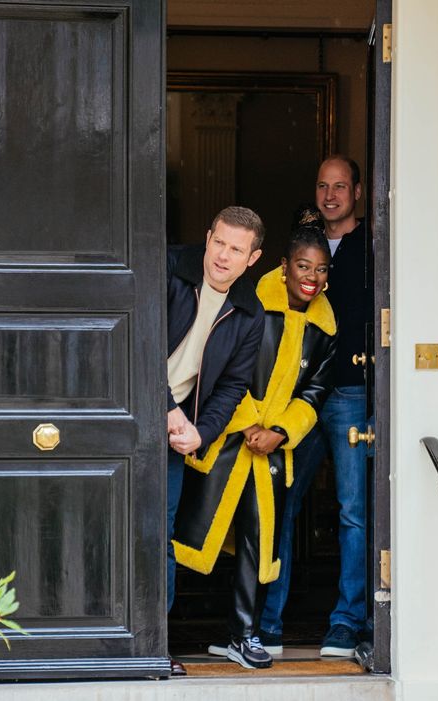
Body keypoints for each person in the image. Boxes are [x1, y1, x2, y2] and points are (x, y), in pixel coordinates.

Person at [172, 227, 337, 669]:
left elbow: (315, 392)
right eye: (303, 266)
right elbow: (226, 369)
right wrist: (246, 423)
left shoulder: (325, 328)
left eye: (321, 270)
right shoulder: (250, 303)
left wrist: (281, 431)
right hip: (222, 439)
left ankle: (242, 634)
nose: (311, 277)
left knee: (256, 541)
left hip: (272, 452)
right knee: (187, 532)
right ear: (282, 267)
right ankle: (160, 631)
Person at [259, 156, 375, 658]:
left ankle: (347, 623)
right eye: (323, 186)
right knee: (280, 507)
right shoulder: (294, 250)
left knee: (353, 512)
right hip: (294, 399)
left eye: (341, 187)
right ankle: (266, 625)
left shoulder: (376, 244)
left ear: (358, 191)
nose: (331, 195)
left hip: (350, 391)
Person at [165, 206, 266, 674]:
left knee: (157, 536)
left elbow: (231, 386)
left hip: (176, 430)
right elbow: (136, 342)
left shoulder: (249, 312)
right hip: (131, 413)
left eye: (237, 249)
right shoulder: (167, 270)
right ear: (207, 238)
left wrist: (200, 432)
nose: (224, 256)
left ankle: (151, 643)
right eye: (220, 243)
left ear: (253, 258)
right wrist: (168, 408)